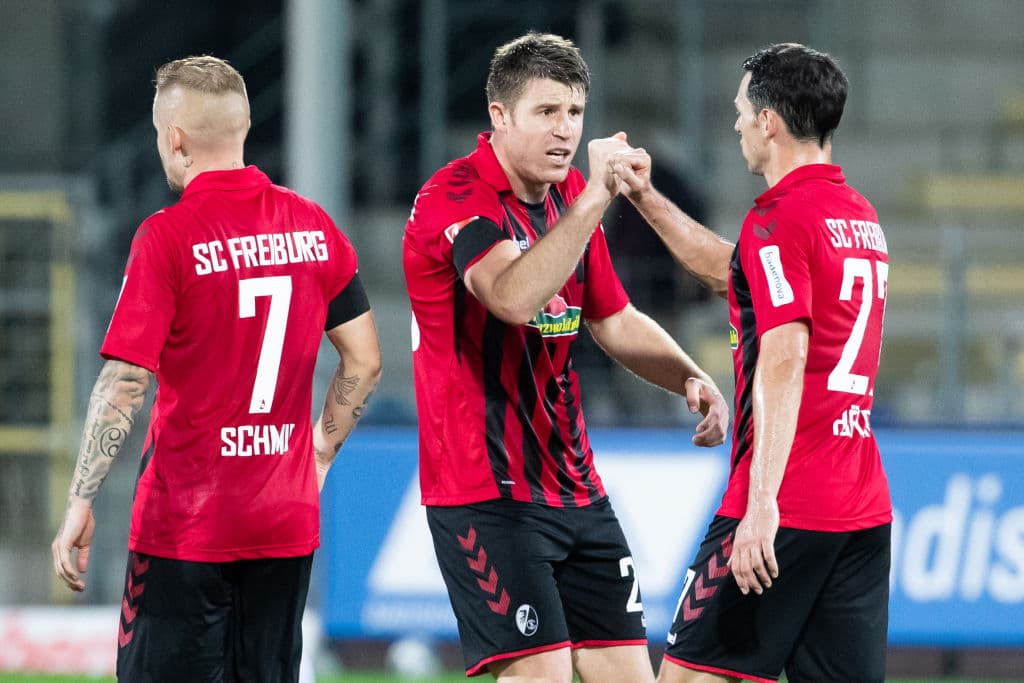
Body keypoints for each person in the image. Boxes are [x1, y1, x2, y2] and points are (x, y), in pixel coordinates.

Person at [402, 32, 729, 682]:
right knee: (540, 675)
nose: (565, 131)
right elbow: (513, 295)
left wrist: (689, 375)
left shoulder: (567, 194)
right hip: (486, 494)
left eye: (574, 113)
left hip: (577, 489)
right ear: (500, 117)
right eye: (545, 112)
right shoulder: (457, 198)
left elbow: (613, 317)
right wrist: (594, 201)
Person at [50, 55, 381, 682]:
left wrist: (80, 501)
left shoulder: (167, 237)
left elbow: (126, 381)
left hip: (187, 524)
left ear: (174, 138)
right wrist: (315, 458)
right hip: (284, 520)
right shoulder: (313, 227)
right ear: (243, 128)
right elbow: (364, 360)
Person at [611, 43, 892, 683]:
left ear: (769, 121)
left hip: (783, 505)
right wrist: (647, 197)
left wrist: (762, 504)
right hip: (860, 510)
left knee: (684, 677)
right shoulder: (857, 216)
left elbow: (786, 356)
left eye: (741, 111)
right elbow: (734, 277)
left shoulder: (779, 218)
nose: (736, 123)